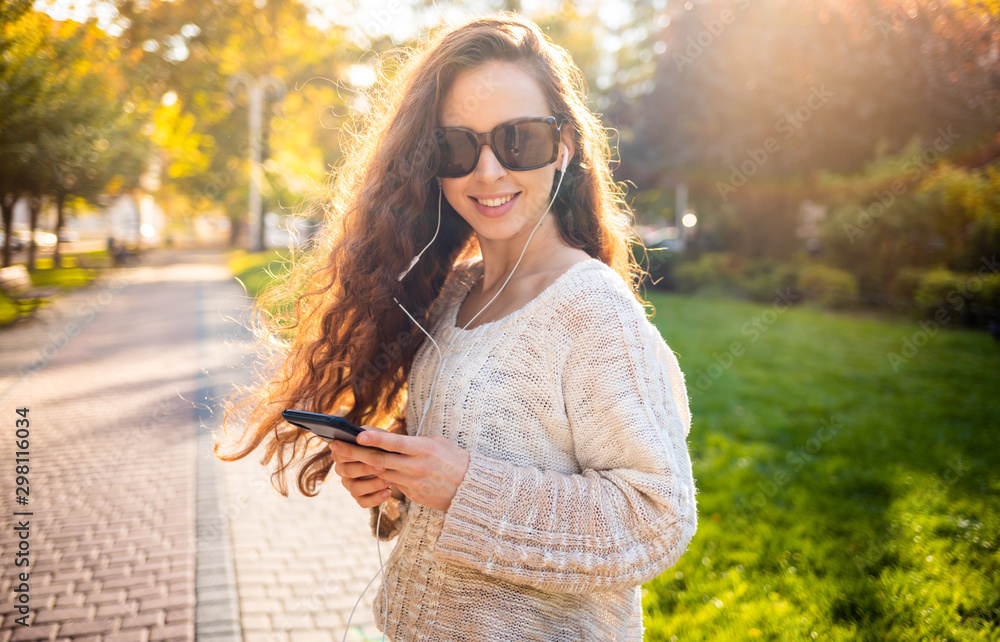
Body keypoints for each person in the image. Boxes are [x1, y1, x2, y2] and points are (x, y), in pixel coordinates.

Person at [216, 12, 697, 641]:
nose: (488, 171)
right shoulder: (455, 290)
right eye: (457, 146)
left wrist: (463, 488)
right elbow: (480, 458)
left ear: (565, 148)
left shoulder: (591, 310)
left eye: (518, 140)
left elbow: (655, 517)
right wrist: (395, 474)